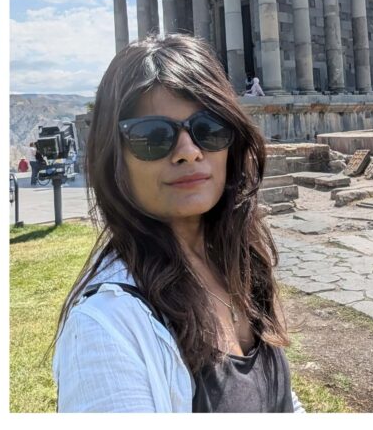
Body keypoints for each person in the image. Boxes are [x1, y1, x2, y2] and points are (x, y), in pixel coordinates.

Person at [52, 34, 303, 413]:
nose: (189, 152)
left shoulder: (236, 264)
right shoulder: (104, 329)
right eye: (153, 136)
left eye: (209, 128)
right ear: (113, 157)